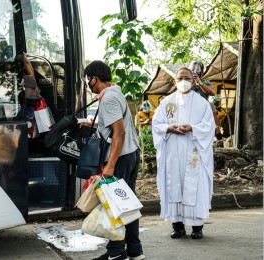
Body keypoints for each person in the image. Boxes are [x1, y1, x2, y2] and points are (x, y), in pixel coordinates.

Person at [83, 61, 144, 260]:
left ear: (95, 78)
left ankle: (116, 252)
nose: (88, 84)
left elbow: (119, 133)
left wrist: (110, 165)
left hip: (120, 157)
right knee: (127, 203)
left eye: (88, 80)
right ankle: (134, 251)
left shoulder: (108, 98)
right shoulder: (116, 92)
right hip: (131, 155)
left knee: (115, 204)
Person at [152, 67, 215, 240]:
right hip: (173, 151)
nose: (183, 81)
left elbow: (210, 126)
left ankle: (197, 228)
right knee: (175, 186)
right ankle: (177, 227)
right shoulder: (166, 102)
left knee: (196, 187)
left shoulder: (202, 103)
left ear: (194, 81)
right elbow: (156, 124)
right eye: (180, 78)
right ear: (174, 81)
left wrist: (193, 128)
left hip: (195, 150)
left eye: (187, 78)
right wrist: (168, 128)